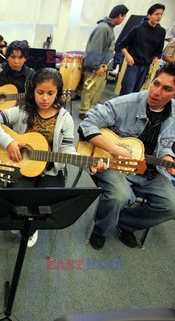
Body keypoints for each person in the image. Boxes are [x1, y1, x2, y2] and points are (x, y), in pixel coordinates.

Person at [0, 68, 105, 247]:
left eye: (51, 93)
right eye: (40, 92)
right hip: (23, 167)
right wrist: (9, 142)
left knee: (45, 203)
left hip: (51, 172)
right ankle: (21, 221)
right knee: (16, 197)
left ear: (58, 93)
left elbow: (67, 148)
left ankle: (30, 228)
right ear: (33, 91)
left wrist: (88, 165)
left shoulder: (65, 119)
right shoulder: (23, 110)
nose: (45, 98)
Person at [79, 62, 175, 250]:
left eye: (167, 89)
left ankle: (124, 222)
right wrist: (115, 149)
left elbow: (168, 145)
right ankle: (101, 229)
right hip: (114, 165)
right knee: (120, 196)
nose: (156, 91)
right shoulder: (126, 103)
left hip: (150, 172)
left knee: (172, 205)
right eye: (155, 84)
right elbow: (86, 125)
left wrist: (168, 157)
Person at [79, 5, 129, 119]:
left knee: (96, 92)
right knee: (90, 90)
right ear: (120, 15)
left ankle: (90, 111)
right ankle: (84, 111)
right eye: (124, 17)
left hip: (103, 67)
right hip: (96, 67)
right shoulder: (103, 28)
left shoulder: (109, 28)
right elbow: (95, 49)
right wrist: (96, 67)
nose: (123, 20)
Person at [118, 3, 166, 96]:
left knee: (137, 94)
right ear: (149, 15)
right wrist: (128, 56)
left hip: (146, 67)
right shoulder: (137, 29)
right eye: (157, 14)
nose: (159, 16)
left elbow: (158, 50)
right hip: (133, 65)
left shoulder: (162, 31)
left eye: (161, 14)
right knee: (127, 92)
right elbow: (122, 44)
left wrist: (154, 65)